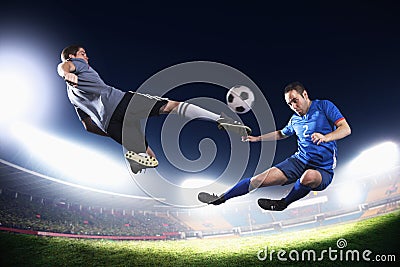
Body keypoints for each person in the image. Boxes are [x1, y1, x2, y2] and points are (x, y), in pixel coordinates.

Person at [57, 45, 251, 173]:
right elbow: (63, 67)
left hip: (110, 125)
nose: (86, 56)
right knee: (172, 106)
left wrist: (112, 134)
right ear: (73, 57)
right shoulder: (77, 65)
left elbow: (88, 127)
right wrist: (67, 74)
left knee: (152, 158)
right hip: (122, 103)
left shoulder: (71, 97)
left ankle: (139, 157)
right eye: (82, 53)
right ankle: (219, 119)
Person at [198, 81, 351, 211]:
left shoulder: (324, 106)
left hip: (322, 168)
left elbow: (345, 128)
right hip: (298, 161)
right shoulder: (294, 120)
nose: (293, 106)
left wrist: (326, 137)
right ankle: (220, 198)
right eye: (289, 103)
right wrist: (257, 138)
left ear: (305, 95)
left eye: (295, 100)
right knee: (257, 180)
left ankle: (284, 203)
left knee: (308, 177)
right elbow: (281, 134)